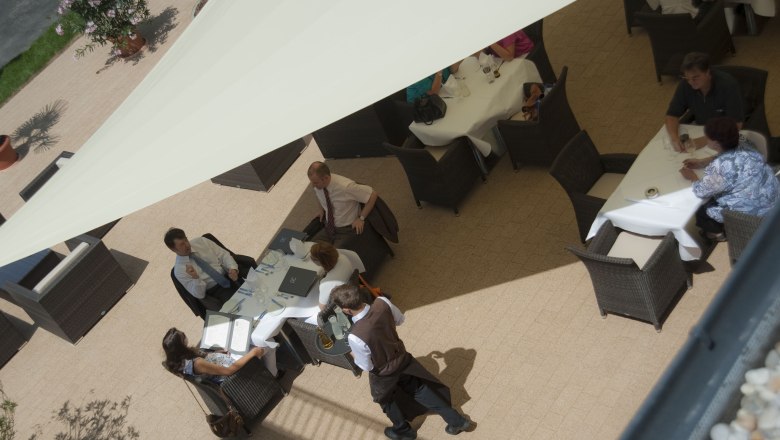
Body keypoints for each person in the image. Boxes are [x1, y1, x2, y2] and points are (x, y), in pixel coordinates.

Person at [330, 284, 474, 439]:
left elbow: (367, 365)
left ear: (346, 310)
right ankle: (457, 420)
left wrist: (352, 353)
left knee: (386, 400)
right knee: (418, 388)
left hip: (384, 374)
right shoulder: (382, 303)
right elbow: (400, 320)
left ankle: (403, 431)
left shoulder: (355, 336)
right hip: (402, 358)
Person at [679, 117, 779, 241]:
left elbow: (701, 191)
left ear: (715, 143)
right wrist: (703, 162)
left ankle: (716, 234)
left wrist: (691, 176)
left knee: (703, 206)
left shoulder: (720, 169)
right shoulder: (744, 141)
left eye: (707, 137)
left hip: (754, 215)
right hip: (773, 197)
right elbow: (732, 155)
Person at [665, 52, 744, 152]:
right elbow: (671, 115)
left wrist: (705, 140)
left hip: (723, 138)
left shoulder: (728, 86)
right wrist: (675, 138)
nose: (691, 82)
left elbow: (736, 125)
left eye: (695, 78)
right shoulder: (685, 85)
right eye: (687, 78)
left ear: (708, 72)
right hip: (701, 129)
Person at [165, 228, 251, 311]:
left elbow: (223, 255)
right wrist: (195, 278)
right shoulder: (180, 270)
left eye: (186, 240)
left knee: (257, 285)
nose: (187, 245)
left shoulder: (201, 241)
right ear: (173, 249)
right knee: (244, 305)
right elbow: (199, 295)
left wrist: (233, 268)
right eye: (182, 244)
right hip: (217, 291)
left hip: (230, 274)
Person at [307, 162, 378, 247]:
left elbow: (373, 194)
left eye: (315, 182)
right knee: (311, 247)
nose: (313, 185)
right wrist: (321, 209)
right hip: (329, 226)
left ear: (325, 178)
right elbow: (318, 194)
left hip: (347, 229)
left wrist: (361, 218)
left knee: (333, 255)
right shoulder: (318, 185)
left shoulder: (345, 187)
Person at [162, 328, 268, 383]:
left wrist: (218, 354)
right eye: (183, 336)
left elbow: (209, 361)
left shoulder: (182, 360)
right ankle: (272, 374)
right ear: (181, 346)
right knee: (266, 345)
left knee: (245, 342)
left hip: (226, 363)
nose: (185, 336)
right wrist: (253, 353)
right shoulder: (197, 364)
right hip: (235, 375)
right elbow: (229, 371)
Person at [310, 242, 362, 310]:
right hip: (352, 291)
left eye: (312, 258)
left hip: (342, 304)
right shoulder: (343, 257)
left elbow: (322, 308)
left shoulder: (326, 283)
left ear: (319, 262)